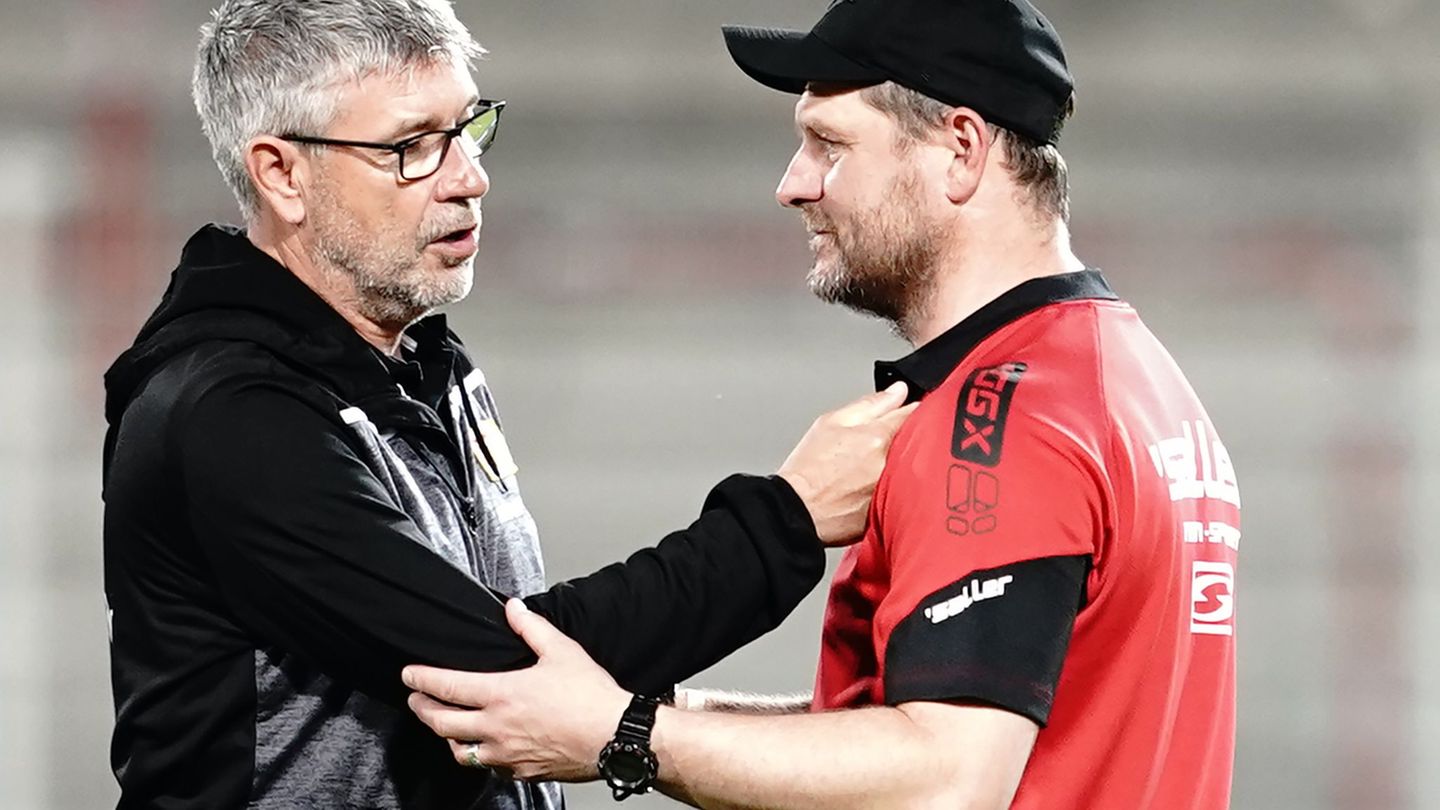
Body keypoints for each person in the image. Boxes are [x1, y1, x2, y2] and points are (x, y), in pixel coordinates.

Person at [403, 0, 1242, 808]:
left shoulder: (1000, 415)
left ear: (960, 149)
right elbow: (939, 734)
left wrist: (623, 734)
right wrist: (649, 717)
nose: (793, 184)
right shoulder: (1131, 377)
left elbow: (943, 780)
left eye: (828, 144)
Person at [101, 1, 915, 807]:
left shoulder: (423, 366)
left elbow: (549, 690)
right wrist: (786, 520)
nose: (469, 177)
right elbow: (503, 676)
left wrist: (858, 747)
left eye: (467, 128)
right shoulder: (224, 413)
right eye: (412, 147)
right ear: (282, 173)